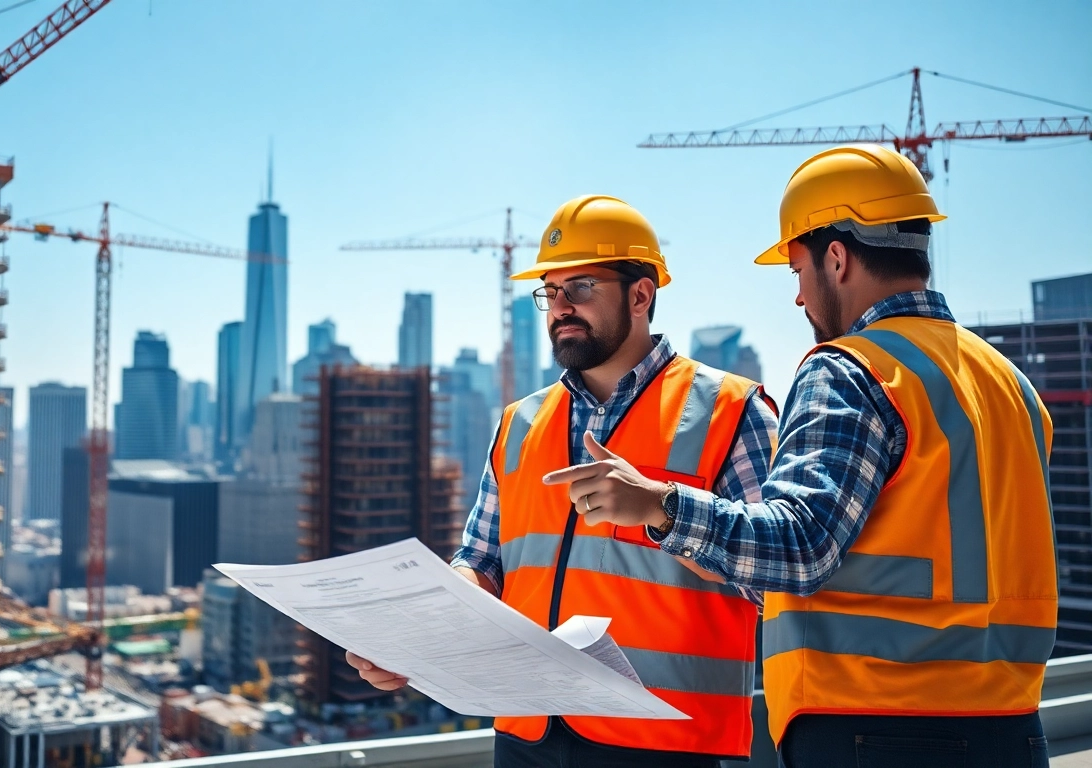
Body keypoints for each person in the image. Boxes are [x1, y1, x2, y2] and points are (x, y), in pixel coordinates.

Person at [587, 145, 1058, 767]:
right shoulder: (1009, 384)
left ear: (836, 258)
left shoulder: (853, 369)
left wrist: (658, 504)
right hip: (1011, 731)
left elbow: (805, 546)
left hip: (876, 728)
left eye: (797, 272)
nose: (799, 299)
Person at [346, 195, 779, 768]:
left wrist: (661, 510)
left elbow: (778, 576)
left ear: (641, 294)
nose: (560, 308)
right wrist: (417, 639)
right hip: (527, 734)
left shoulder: (731, 411)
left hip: (667, 743)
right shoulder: (519, 424)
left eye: (580, 288)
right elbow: (483, 564)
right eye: (549, 292)